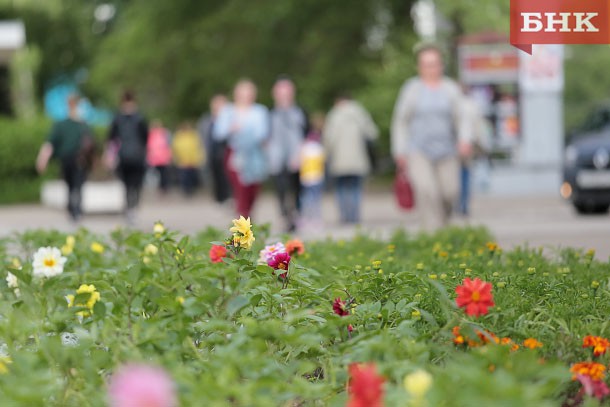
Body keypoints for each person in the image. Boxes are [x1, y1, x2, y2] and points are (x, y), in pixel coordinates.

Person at [391, 44, 472, 231]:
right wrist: (399, 150)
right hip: (418, 150)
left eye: (434, 64)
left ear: (441, 66)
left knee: (450, 192)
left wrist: (464, 140)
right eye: (426, 64)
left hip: (447, 149)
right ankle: (431, 234)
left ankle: (442, 225)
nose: (430, 68)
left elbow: (462, 118)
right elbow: (401, 121)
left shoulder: (450, 89)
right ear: (419, 67)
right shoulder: (411, 89)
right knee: (427, 191)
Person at [213, 79, 269, 218]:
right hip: (235, 154)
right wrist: (231, 129)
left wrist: (247, 134)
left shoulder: (260, 111)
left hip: (255, 155)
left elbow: (262, 133)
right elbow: (218, 132)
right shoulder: (228, 111)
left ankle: (248, 215)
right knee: (240, 188)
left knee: (253, 189)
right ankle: (242, 219)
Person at [36, 94, 93, 222]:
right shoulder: (81, 125)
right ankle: (75, 210)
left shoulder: (66, 125)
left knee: (73, 186)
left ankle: (74, 210)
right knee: (75, 186)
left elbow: (49, 144)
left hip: (72, 159)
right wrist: (42, 159)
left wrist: (42, 159)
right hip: (76, 160)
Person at [324, 93, 379, 224]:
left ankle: (345, 216)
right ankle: (355, 216)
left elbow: (329, 139)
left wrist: (326, 155)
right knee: (356, 187)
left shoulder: (334, 115)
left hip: (339, 160)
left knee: (341, 188)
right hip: (358, 159)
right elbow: (372, 133)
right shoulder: (360, 113)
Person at [267, 77, 307, 231]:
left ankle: (297, 213)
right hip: (277, 159)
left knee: (297, 188)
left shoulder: (300, 112)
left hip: (296, 158)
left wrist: (299, 154)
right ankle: (286, 216)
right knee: (281, 189)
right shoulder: (270, 114)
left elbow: (306, 135)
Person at [107, 91, 149, 223]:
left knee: (135, 184)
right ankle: (131, 207)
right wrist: (110, 155)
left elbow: (145, 138)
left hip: (135, 156)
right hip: (126, 156)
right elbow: (112, 139)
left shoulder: (138, 118)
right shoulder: (124, 119)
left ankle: (132, 206)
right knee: (128, 184)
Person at [197, 94, 231, 204]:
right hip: (212, 151)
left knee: (226, 175)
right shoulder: (206, 120)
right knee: (215, 175)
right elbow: (203, 135)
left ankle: (228, 196)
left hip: (226, 151)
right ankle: (219, 197)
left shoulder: (229, 119)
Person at [299, 112, 326, 230]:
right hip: (314, 177)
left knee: (308, 200)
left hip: (308, 178)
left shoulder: (305, 147)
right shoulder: (319, 148)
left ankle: (310, 219)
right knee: (313, 200)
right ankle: (314, 219)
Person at [173, 121, 205, 197]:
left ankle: (191, 189)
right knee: (184, 176)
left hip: (192, 160)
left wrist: (199, 157)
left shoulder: (194, 135)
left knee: (191, 175)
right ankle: (186, 189)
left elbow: (198, 147)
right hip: (182, 160)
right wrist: (177, 157)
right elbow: (175, 147)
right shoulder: (179, 136)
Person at [147, 119, 172, 195]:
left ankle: (163, 188)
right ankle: (161, 188)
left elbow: (168, 145)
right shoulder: (152, 134)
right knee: (159, 174)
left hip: (162, 158)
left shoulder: (164, 133)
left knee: (163, 174)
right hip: (156, 158)